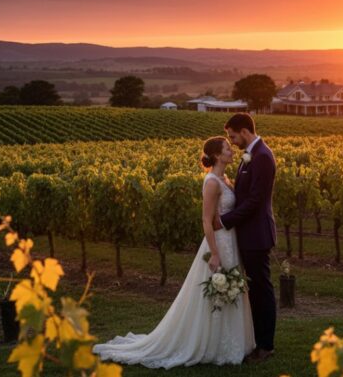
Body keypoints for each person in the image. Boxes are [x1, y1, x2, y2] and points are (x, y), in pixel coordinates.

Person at [93, 136, 255, 368]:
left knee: (230, 290)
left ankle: (228, 343)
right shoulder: (211, 182)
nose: (232, 151)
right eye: (227, 149)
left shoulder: (225, 179)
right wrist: (216, 253)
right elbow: (206, 221)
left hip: (231, 241)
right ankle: (213, 344)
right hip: (218, 243)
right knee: (218, 290)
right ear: (218, 156)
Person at [214, 112, 277, 363]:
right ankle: (258, 341)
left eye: (232, 136)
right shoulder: (251, 155)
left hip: (256, 235)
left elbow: (254, 202)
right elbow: (243, 194)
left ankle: (266, 346)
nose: (232, 141)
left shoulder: (262, 156)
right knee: (255, 289)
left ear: (244, 131)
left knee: (261, 290)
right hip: (248, 234)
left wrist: (224, 220)